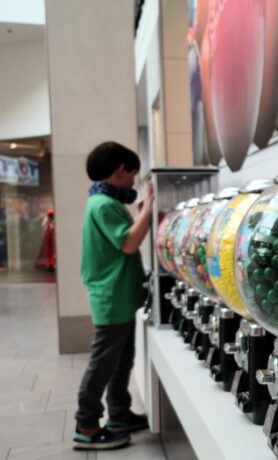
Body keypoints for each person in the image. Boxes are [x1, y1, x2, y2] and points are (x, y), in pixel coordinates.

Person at [73, 141, 153, 450]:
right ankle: (87, 425)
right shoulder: (103, 205)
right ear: (120, 171)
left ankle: (119, 414)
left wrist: (141, 212)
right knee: (104, 362)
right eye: (132, 175)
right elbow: (129, 243)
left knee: (122, 360)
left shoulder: (104, 202)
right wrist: (148, 208)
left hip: (119, 295)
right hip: (111, 296)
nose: (133, 182)